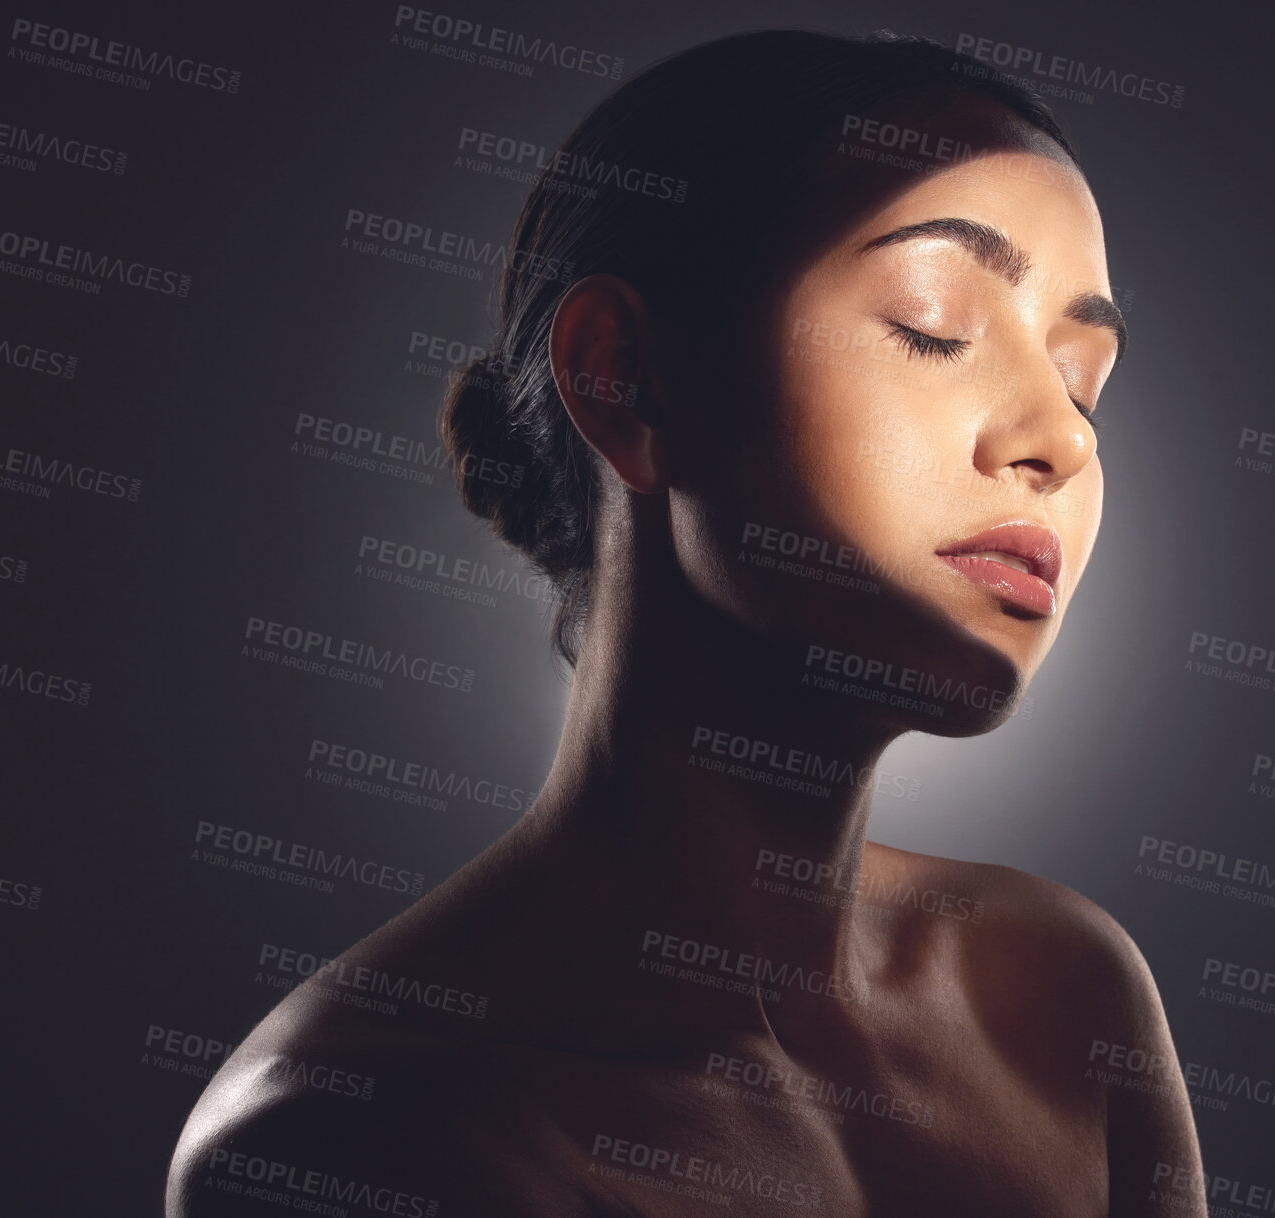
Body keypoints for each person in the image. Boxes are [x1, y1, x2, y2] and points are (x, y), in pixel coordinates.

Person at [167, 29, 1205, 1217]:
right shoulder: (355, 1143)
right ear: (628, 377)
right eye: (933, 325)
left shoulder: (1062, 1000)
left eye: (1083, 381)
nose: (1063, 439)